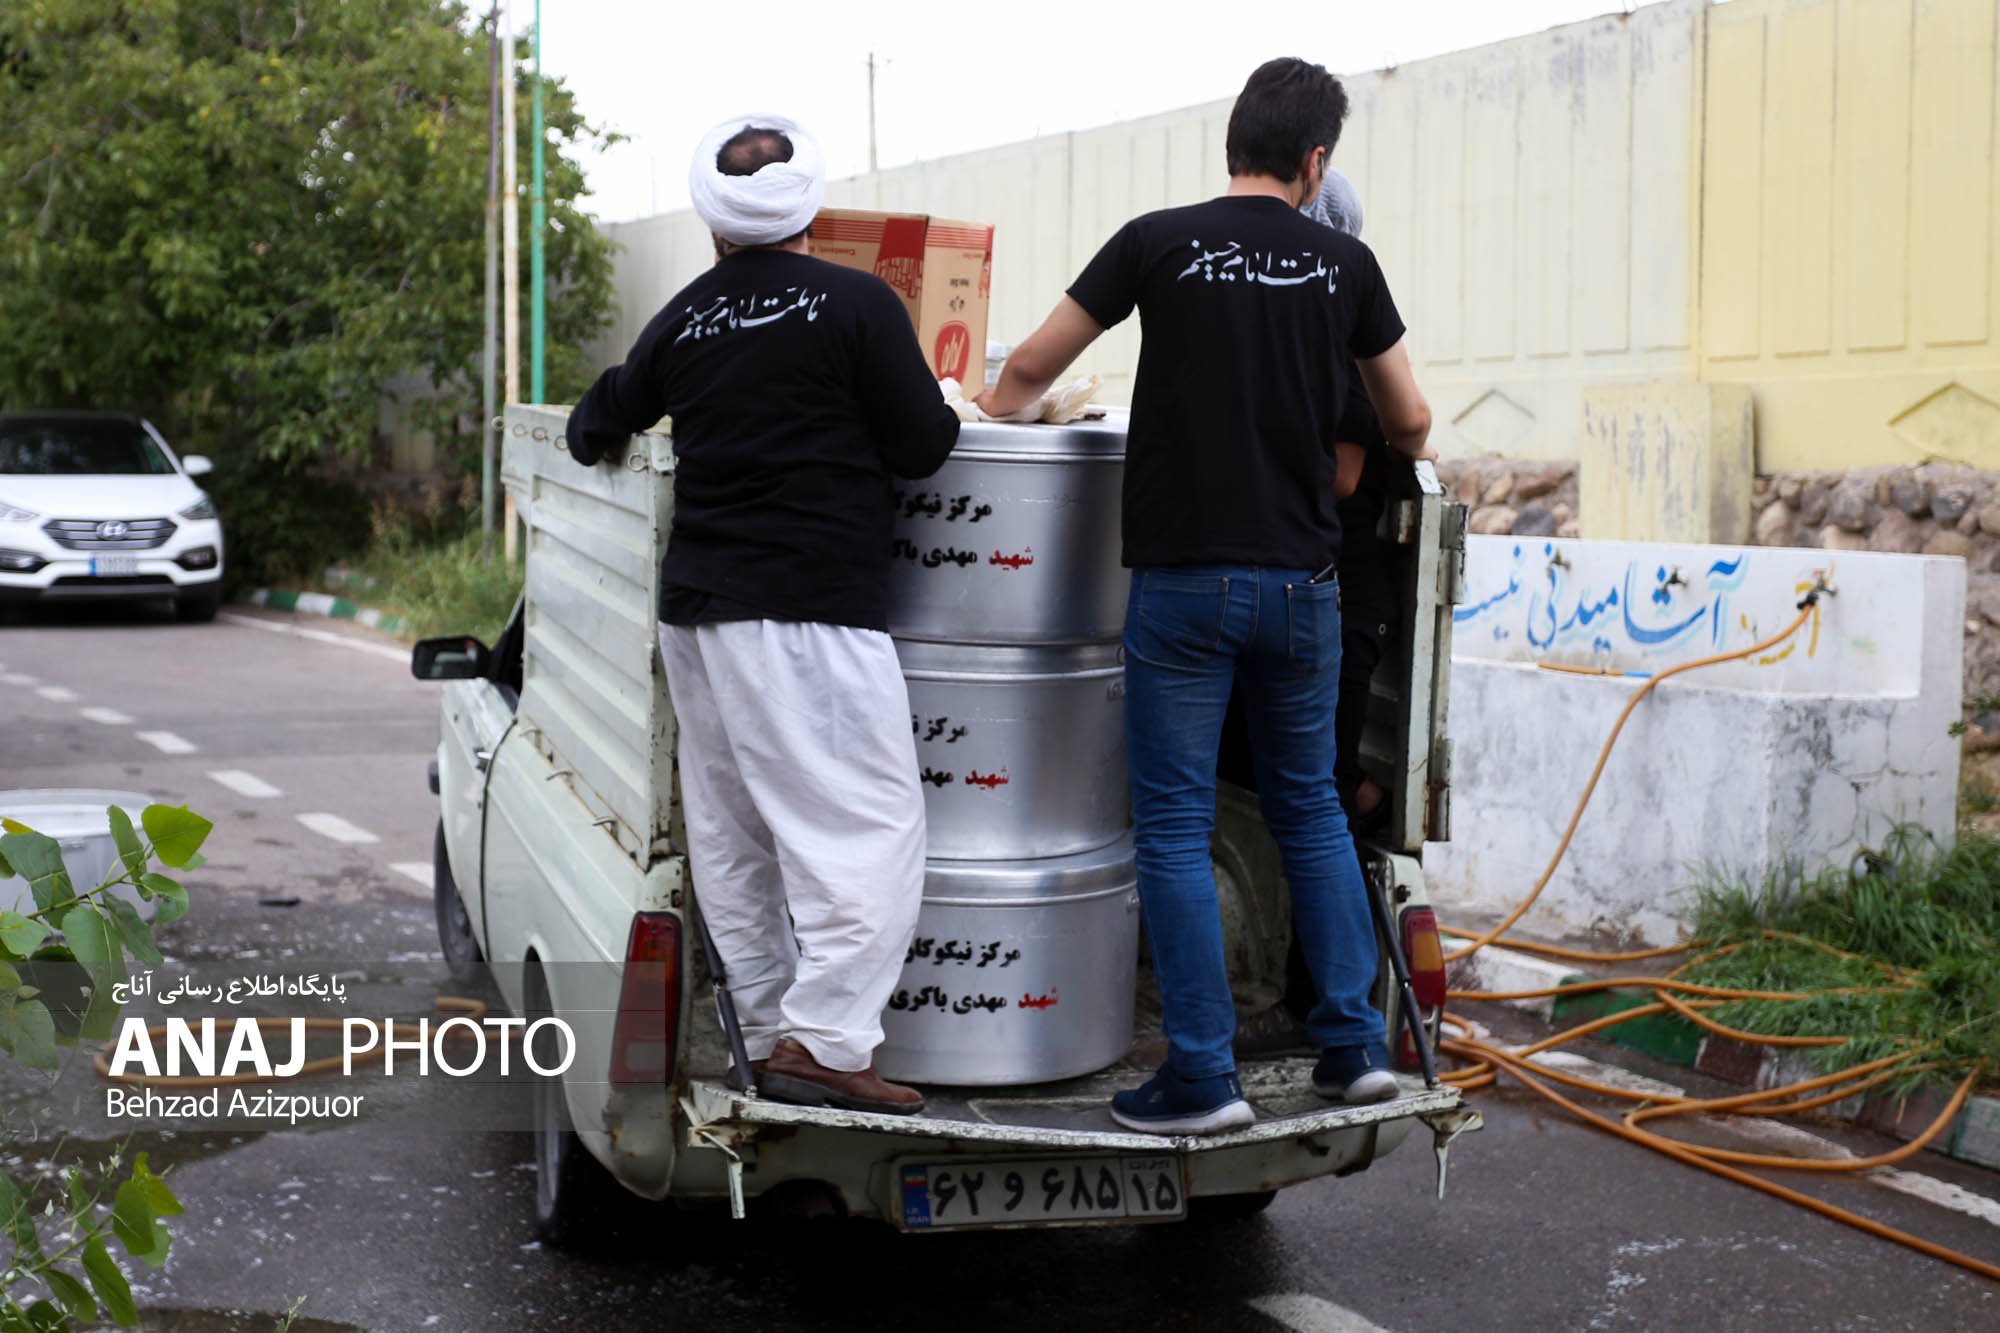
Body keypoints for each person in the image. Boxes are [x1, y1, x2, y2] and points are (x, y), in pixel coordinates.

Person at [978, 59, 1434, 1135]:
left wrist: (995, 407)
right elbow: (1410, 423)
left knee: (1175, 826)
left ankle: (1201, 1076)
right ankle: (1351, 1048)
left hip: (1184, 587)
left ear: (1232, 143)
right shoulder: (1345, 264)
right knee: (1311, 809)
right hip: (1306, 589)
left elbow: (1032, 366)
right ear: (1315, 161)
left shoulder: (1156, 241)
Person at [566, 115, 960, 1115]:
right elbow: (924, 444)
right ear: (809, 213)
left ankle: (760, 1028)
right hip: (809, 611)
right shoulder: (858, 304)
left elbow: (593, 423)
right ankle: (825, 1043)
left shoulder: (684, 318)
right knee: (867, 828)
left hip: (698, 612)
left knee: (734, 829)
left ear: (714, 224)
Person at [1223, 167, 1413, 1061]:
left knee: (1312, 798)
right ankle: (1359, 790)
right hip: (1292, 586)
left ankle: (1317, 1011)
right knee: (1272, 774)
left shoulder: (1341, 346)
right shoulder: (1293, 335)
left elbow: (1341, 476)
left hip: (1338, 593)